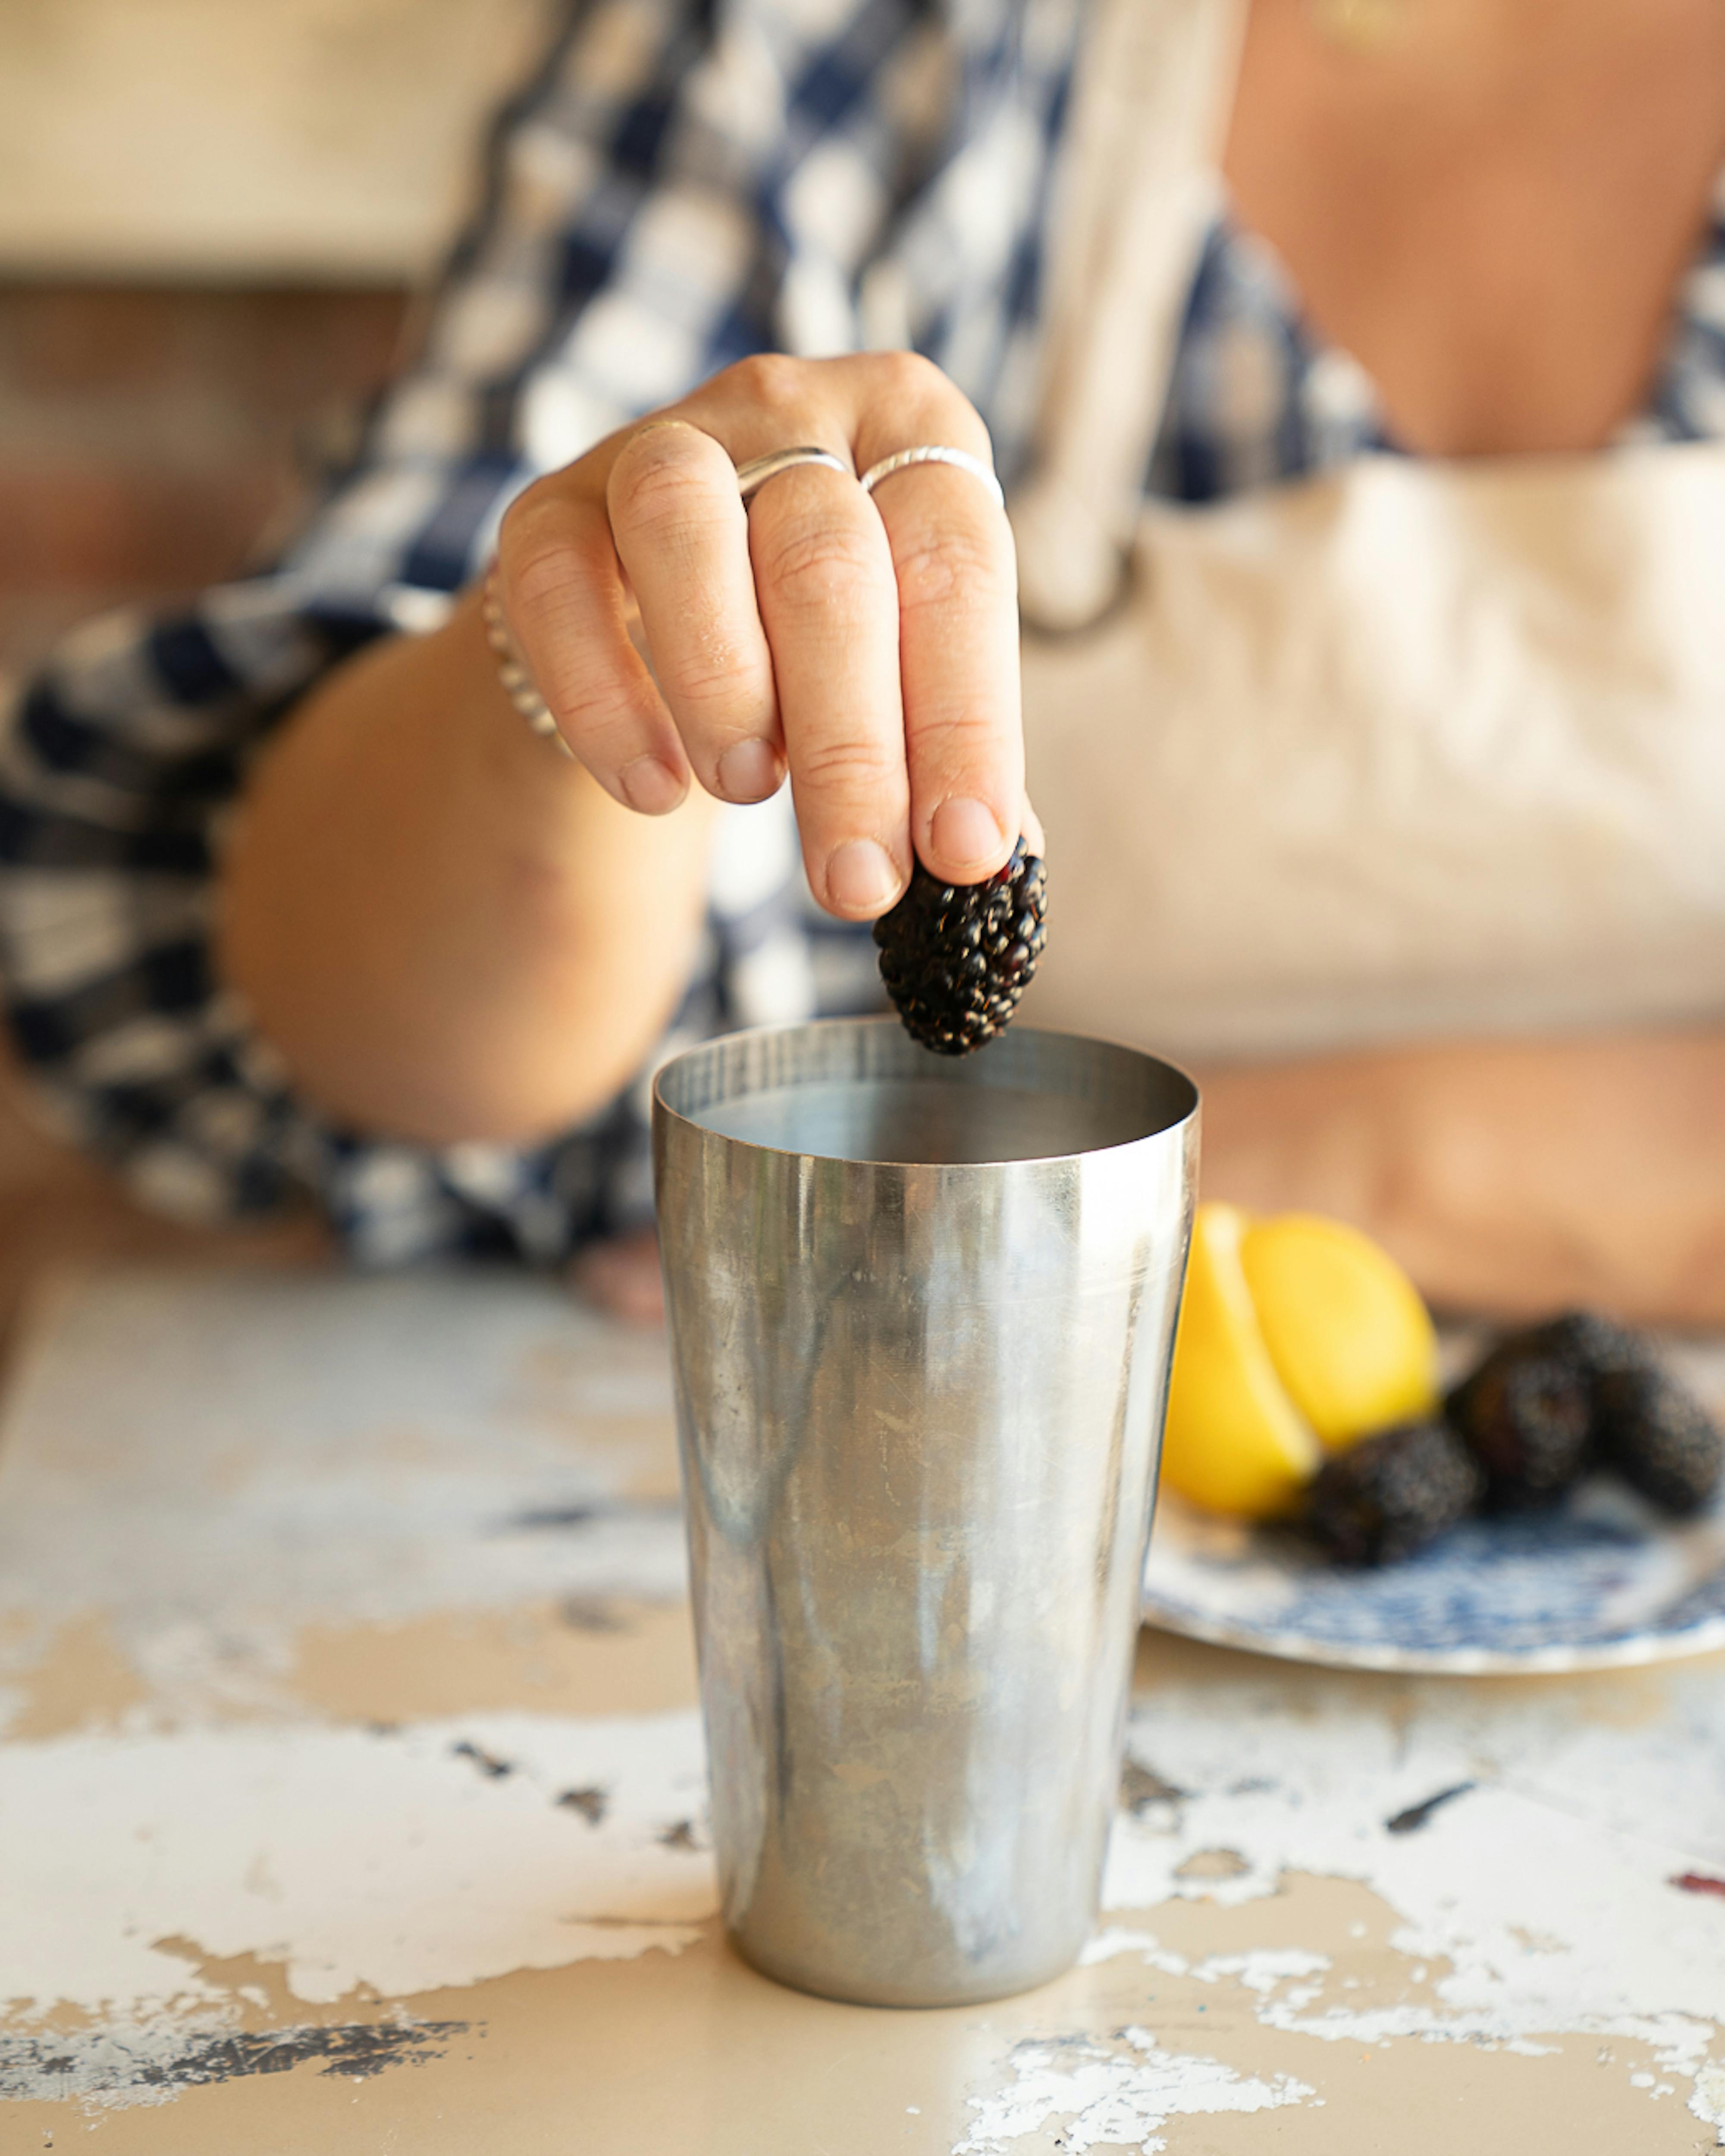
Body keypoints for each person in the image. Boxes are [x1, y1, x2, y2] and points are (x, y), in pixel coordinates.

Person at [2, 0, 1723, 1323]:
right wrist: (575, 661)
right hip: (877, 1419)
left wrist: (1247, 1169)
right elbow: (370, 1039)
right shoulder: (826, 42)